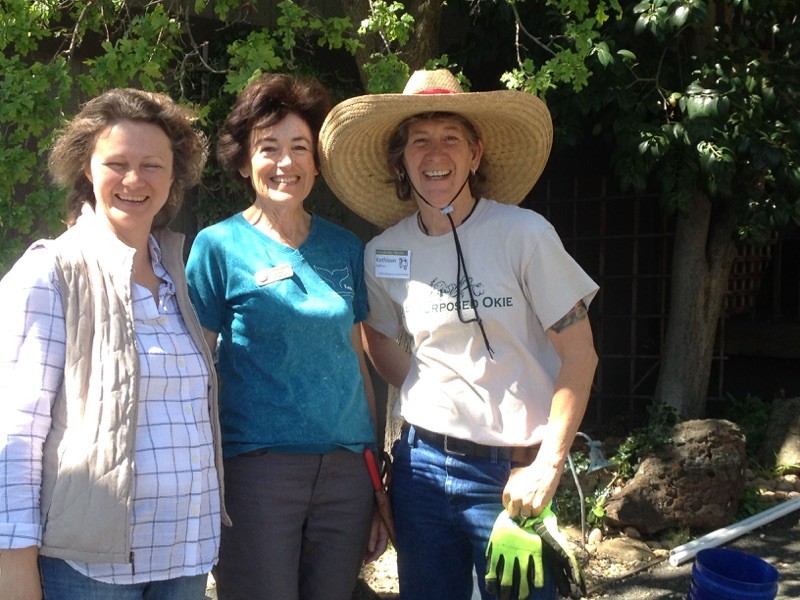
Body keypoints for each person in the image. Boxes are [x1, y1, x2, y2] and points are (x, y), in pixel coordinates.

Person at [318, 69, 599, 600]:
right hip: (420, 472)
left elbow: (580, 357)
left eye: (450, 137)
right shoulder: (383, 254)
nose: (434, 153)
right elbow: (376, 339)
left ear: (476, 153)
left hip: (512, 475)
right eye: (418, 140)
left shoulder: (525, 235)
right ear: (400, 159)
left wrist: (547, 465)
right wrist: (432, 387)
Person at [0, 88, 228, 600]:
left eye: (152, 165)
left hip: (185, 553)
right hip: (87, 568)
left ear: (174, 177)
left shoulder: (175, 275)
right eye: (117, 163)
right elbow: (13, 434)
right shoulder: (50, 273)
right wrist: (11, 567)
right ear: (87, 167)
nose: (134, 180)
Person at [185, 73, 387, 600]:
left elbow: (355, 360)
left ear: (317, 161)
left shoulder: (345, 247)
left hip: (346, 472)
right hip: (257, 471)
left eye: (300, 147)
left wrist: (372, 476)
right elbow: (196, 368)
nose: (285, 163)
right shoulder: (218, 246)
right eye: (268, 148)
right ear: (244, 161)